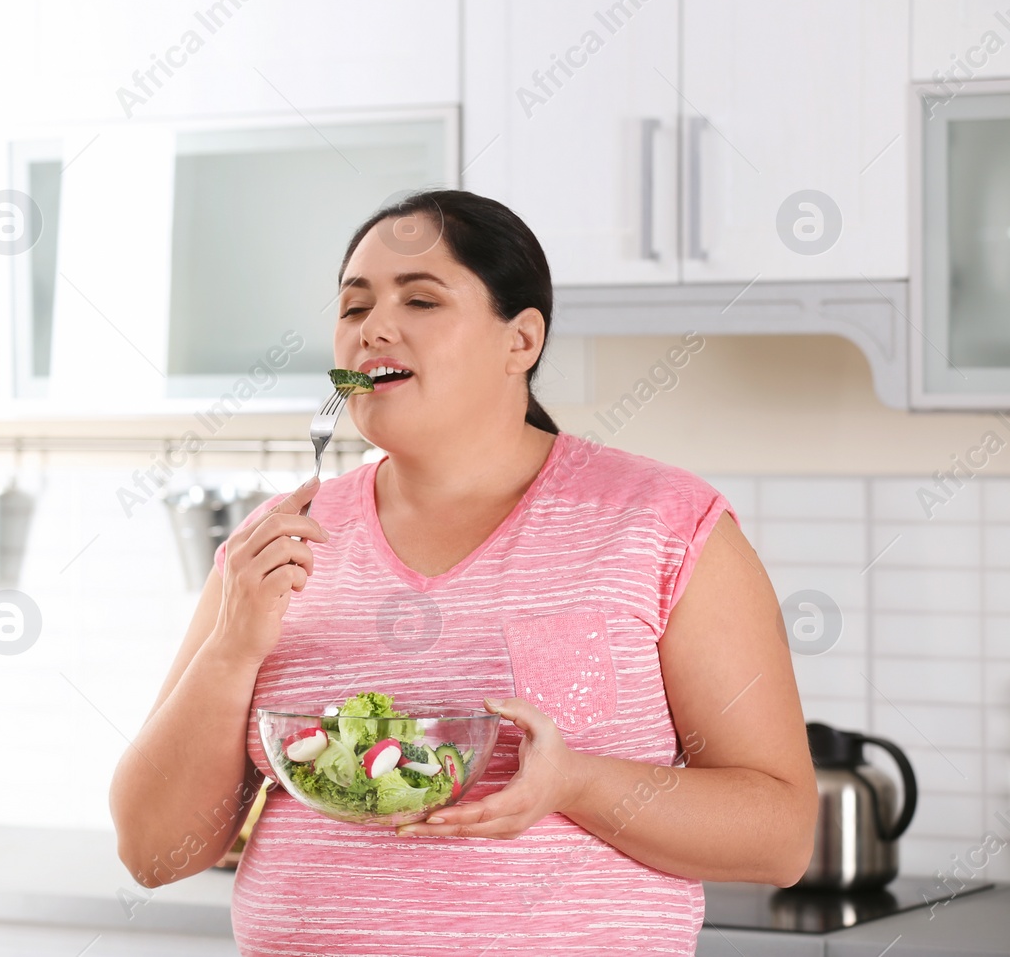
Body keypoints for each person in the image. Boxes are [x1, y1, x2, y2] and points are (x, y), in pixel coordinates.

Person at [109, 189, 818, 955]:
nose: (374, 327)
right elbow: (153, 850)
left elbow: (779, 835)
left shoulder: (662, 524)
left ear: (521, 341)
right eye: (353, 309)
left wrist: (576, 783)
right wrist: (231, 648)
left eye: (420, 299)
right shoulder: (272, 544)